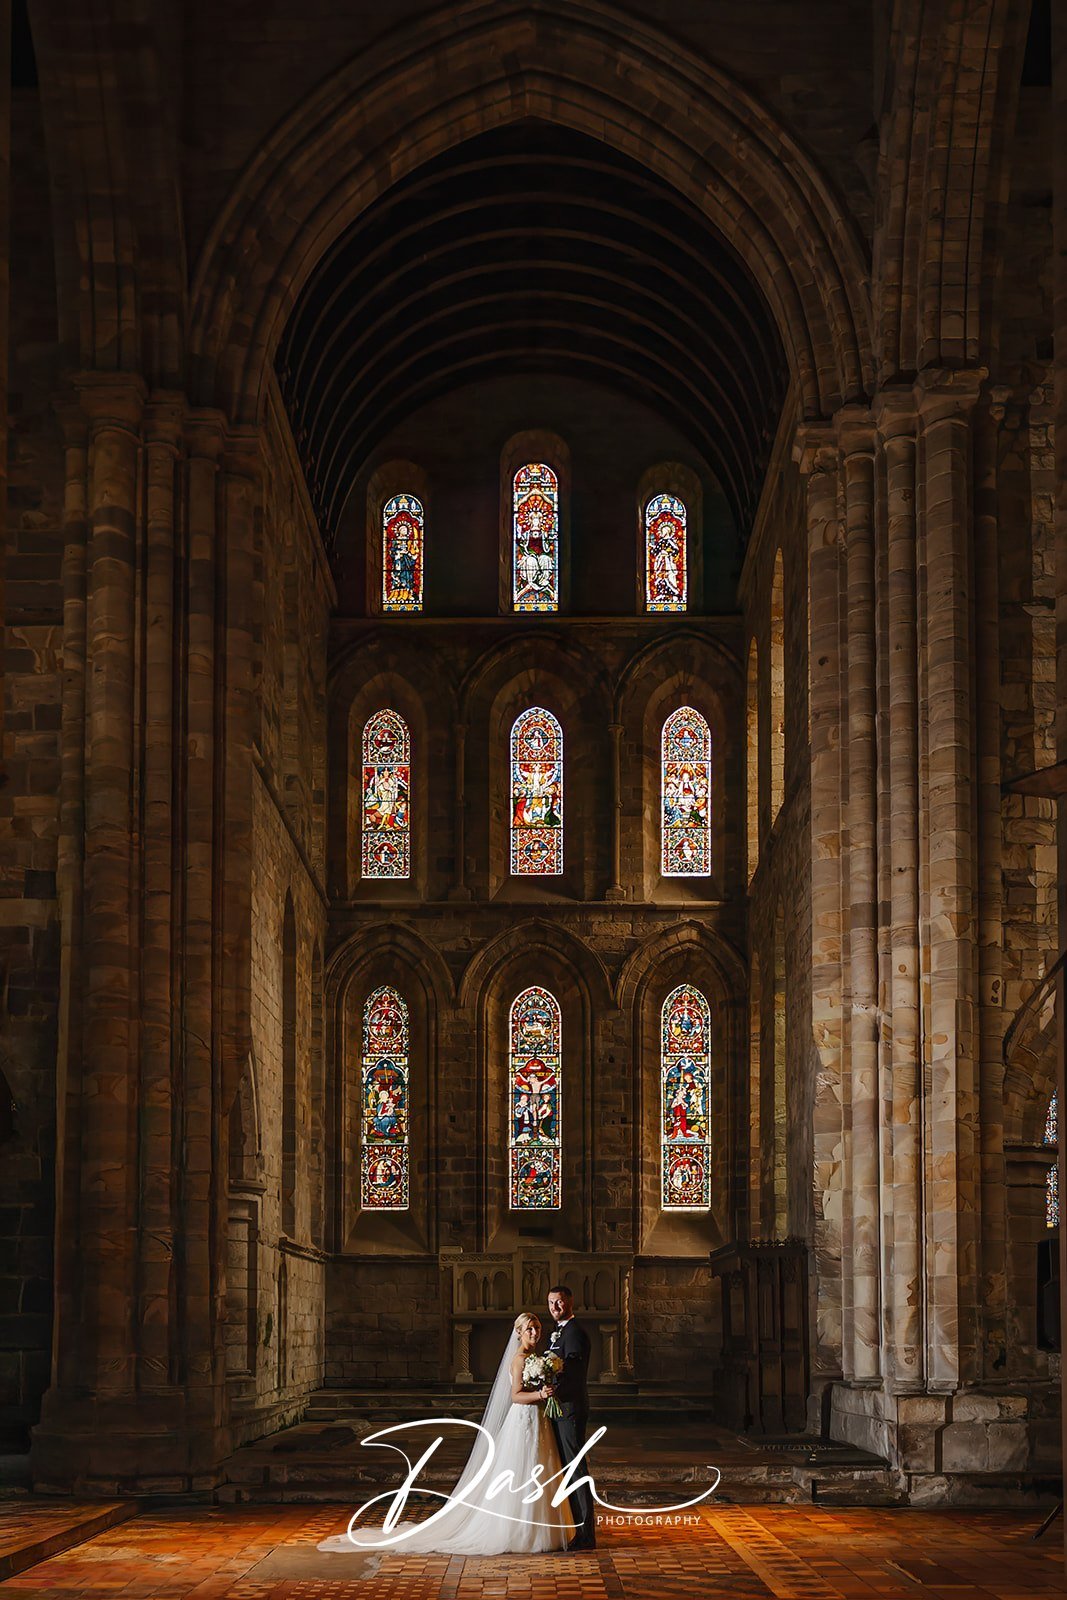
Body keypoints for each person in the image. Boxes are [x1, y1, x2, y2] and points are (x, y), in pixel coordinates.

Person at [317, 1312, 575, 1556]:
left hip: (538, 1420)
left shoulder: (537, 1358)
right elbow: (515, 1395)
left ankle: (540, 1528)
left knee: (538, 1468)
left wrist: (546, 1387)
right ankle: (520, 1531)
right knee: (521, 1469)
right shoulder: (520, 1359)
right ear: (518, 1333)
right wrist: (540, 1395)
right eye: (529, 1328)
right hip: (523, 1421)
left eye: (537, 1327)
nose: (534, 1332)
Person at [545, 1285, 596, 1550]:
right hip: (560, 1408)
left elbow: (574, 1375)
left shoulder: (574, 1333)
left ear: (570, 1302)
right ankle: (575, 1527)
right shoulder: (559, 1332)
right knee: (568, 1469)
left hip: (570, 1409)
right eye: (551, 1302)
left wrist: (554, 1390)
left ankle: (586, 1535)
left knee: (577, 1471)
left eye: (560, 1302)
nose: (555, 1307)